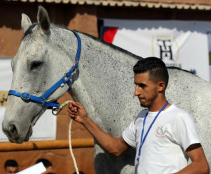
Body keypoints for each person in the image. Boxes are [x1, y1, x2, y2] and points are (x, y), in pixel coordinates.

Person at [68, 57, 209, 173]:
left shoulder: (178, 117)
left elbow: (202, 165)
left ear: (160, 86)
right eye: (136, 85)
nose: (136, 92)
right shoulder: (141, 117)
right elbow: (115, 148)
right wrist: (85, 120)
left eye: (142, 86)